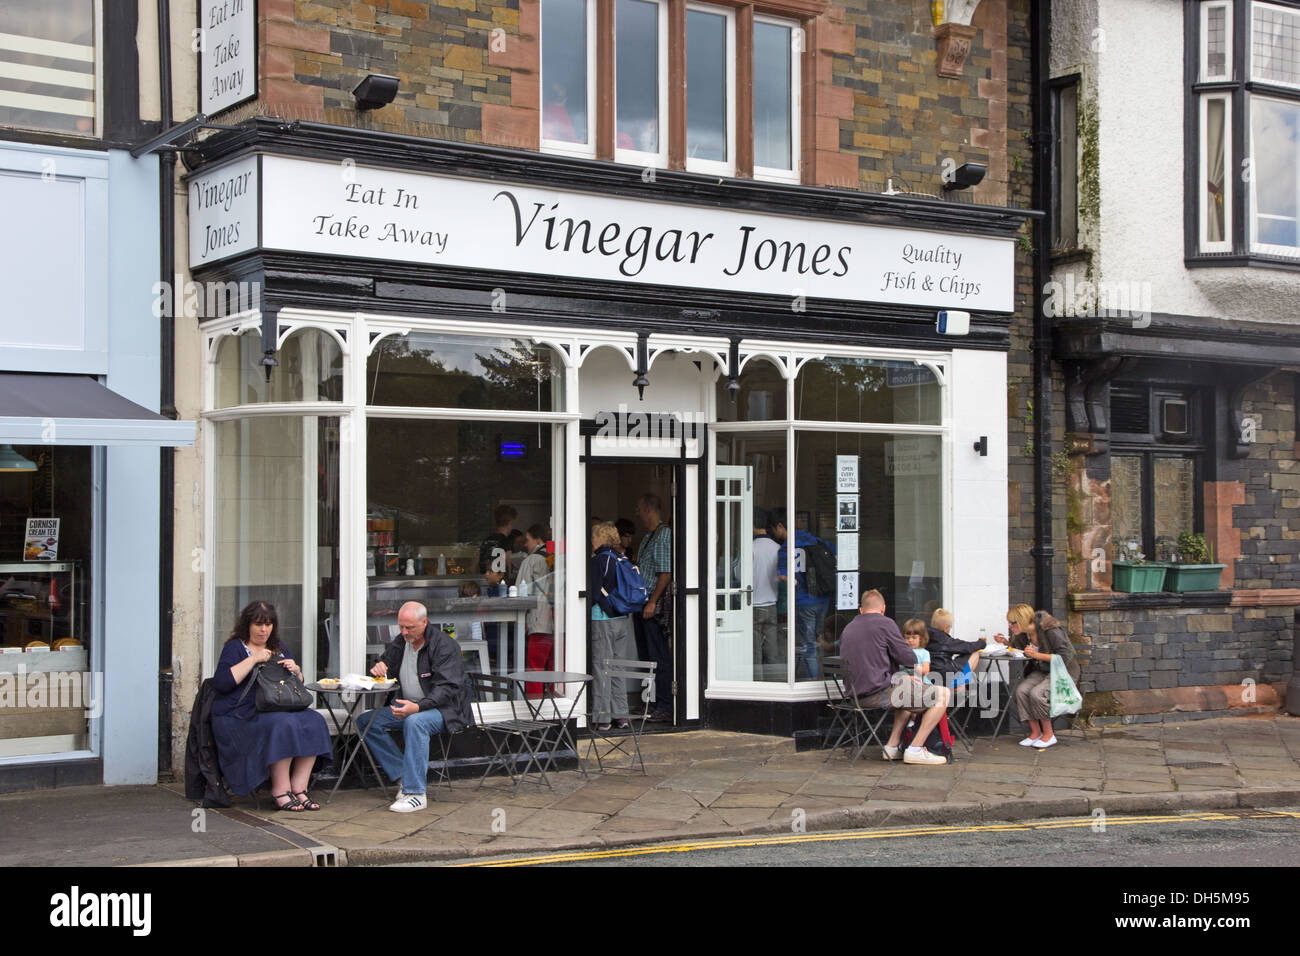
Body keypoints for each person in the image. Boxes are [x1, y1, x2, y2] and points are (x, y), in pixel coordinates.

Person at [210, 601, 332, 811]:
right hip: (241, 712)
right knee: (282, 724)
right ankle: (280, 789)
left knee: (314, 720)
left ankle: (299, 787)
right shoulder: (236, 647)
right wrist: (254, 659)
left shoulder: (278, 647)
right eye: (258, 624)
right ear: (247, 625)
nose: (263, 630)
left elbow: (293, 686)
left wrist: (297, 671)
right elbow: (221, 683)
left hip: (276, 706)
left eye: (268, 624)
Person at [357, 601, 474, 812]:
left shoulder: (445, 646)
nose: (404, 632)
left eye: (409, 627)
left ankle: (416, 793)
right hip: (409, 705)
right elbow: (384, 664)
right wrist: (378, 666)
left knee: (415, 722)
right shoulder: (402, 641)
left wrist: (418, 707)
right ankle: (403, 777)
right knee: (366, 722)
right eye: (401, 626)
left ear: (425, 622)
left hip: (446, 710)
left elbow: (447, 689)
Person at [839, 590, 949, 765]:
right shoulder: (885, 624)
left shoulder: (848, 628)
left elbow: (870, 666)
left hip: (854, 696)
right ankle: (915, 749)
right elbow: (909, 659)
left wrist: (901, 678)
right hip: (876, 695)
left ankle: (891, 746)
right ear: (883, 608)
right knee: (943, 694)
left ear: (861, 610)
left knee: (905, 687)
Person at [992, 603, 1079, 750]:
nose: (1010, 627)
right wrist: (1005, 643)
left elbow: (1065, 657)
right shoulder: (1024, 634)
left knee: (1037, 693)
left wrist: (1037, 655)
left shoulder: (1050, 629)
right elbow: (1019, 649)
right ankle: (1035, 732)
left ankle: (1049, 734)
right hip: (1044, 670)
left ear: (1023, 620)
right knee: (1021, 691)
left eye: (1012, 623)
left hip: (1063, 671)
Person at [769, 507, 834, 680]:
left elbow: (784, 575)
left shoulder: (786, 547)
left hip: (804, 600)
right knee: (817, 640)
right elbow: (834, 554)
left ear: (780, 526)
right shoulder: (814, 540)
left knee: (808, 644)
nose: (775, 533)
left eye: (775, 529)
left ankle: (812, 681)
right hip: (823, 597)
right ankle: (822, 677)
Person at [590, 522, 635, 730]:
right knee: (617, 667)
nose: (591, 540)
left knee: (602, 668)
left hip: (603, 619)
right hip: (622, 620)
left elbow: (595, 592)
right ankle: (622, 715)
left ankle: (602, 717)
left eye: (593, 536)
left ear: (601, 538)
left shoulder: (599, 559)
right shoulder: (621, 558)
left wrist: (608, 609)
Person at [634, 494, 673, 721]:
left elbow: (665, 573)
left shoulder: (662, 535)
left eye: (639, 508)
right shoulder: (649, 536)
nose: (637, 512)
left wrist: (653, 601)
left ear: (649, 509)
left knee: (658, 656)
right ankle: (650, 702)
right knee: (646, 656)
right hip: (642, 603)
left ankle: (665, 705)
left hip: (651, 605)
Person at [516, 523, 555, 696]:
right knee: (557, 666)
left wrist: (523, 620)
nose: (525, 544)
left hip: (539, 619)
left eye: (527, 540)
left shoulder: (531, 560)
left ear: (537, 539)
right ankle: (557, 704)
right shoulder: (559, 557)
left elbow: (520, 592)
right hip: (560, 621)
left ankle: (535, 704)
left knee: (535, 666)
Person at [751, 506, 783, 680]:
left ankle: (757, 685)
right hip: (771, 604)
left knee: (755, 653)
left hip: (754, 605)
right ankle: (775, 684)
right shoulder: (777, 548)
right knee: (772, 651)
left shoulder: (751, 548)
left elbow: (736, 573)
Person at [925, 608, 986, 685]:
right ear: (945, 628)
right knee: (974, 653)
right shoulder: (945, 640)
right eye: (950, 627)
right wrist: (982, 642)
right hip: (944, 676)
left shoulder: (925, 636)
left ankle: (960, 684)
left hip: (930, 675)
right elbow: (968, 647)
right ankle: (960, 683)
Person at [901, 618, 936, 684]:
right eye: (907, 638)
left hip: (922, 683)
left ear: (921, 638)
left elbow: (926, 670)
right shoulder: (902, 651)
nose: (910, 640)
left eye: (914, 637)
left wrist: (913, 667)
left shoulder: (924, 653)